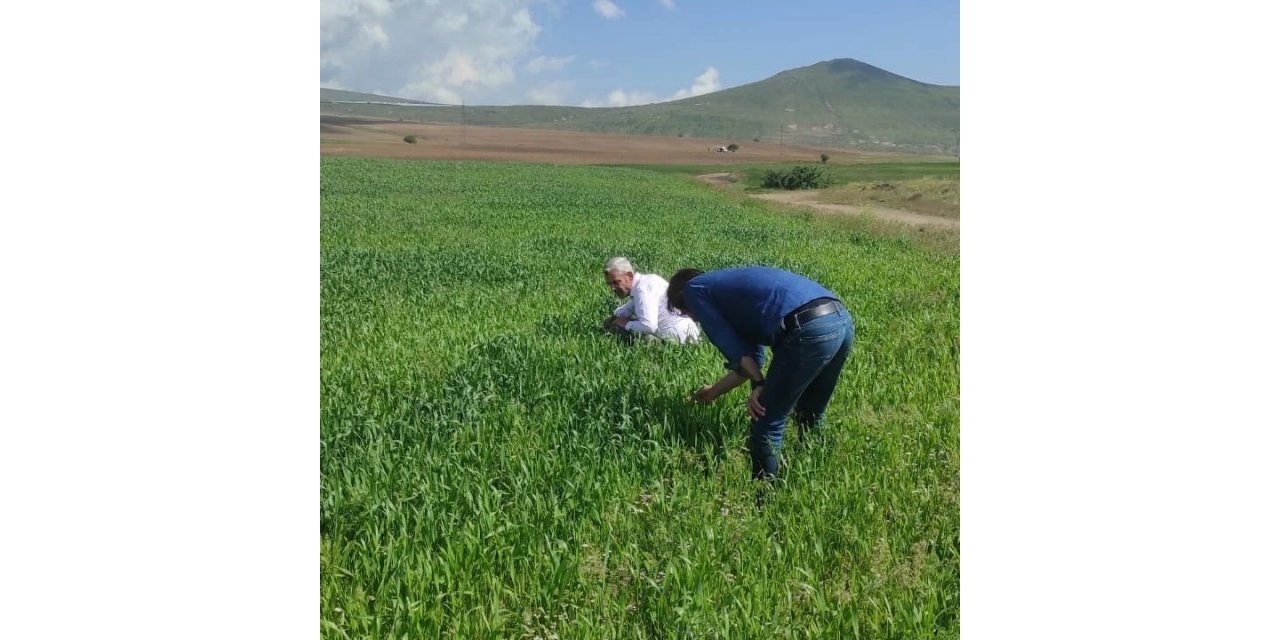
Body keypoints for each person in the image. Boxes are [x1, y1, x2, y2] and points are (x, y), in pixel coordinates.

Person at [666, 266, 854, 480]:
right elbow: (751, 362)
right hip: (840, 320)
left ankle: (764, 497)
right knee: (811, 413)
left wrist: (758, 384)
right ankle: (820, 476)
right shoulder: (733, 295)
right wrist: (713, 392)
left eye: (685, 311)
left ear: (683, 299)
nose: (690, 317)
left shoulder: (694, 289)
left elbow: (733, 350)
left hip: (807, 329)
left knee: (766, 421)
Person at [602, 257, 700, 344]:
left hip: (675, 340)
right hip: (688, 332)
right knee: (615, 323)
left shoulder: (642, 290)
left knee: (618, 329)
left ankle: (656, 350)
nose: (612, 288)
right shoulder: (648, 281)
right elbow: (629, 308)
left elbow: (648, 326)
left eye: (616, 282)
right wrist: (614, 318)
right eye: (609, 284)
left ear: (629, 276)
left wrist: (624, 323)